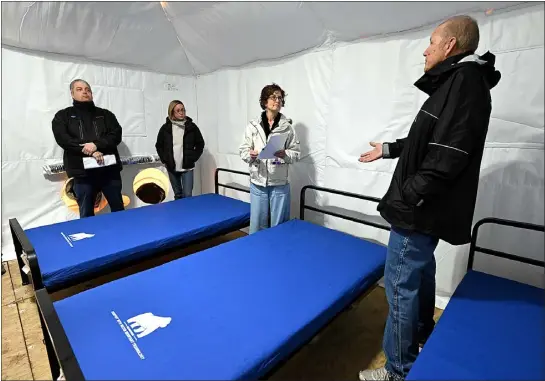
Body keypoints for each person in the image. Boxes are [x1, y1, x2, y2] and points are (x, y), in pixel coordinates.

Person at [358, 15, 501, 381]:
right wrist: (390, 149)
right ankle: (420, 336)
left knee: (400, 283)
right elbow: (429, 143)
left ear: (451, 46)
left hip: (418, 211)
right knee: (419, 276)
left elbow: (448, 155)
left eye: (432, 42)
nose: (426, 49)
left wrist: (410, 196)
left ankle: (397, 369)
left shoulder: (464, 82)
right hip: (423, 209)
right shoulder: (460, 81)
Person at [52, 79, 125, 218]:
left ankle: (124, 237)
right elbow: (64, 139)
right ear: (72, 94)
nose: (84, 91)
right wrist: (91, 150)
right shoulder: (62, 116)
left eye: (87, 89)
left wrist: (97, 145)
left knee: (118, 209)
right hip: (82, 174)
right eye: (79, 89)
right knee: (86, 214)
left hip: (109, 172)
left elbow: (116, 135)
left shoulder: (106, 114)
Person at [239, 83, 301, 234]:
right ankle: (258, 254)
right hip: (258, 182)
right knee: (257, 227)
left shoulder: (288, 127)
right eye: (274, 97)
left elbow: (297, 153)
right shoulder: (253, 126)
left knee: (279, 227)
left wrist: (285, 154)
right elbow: (243, 150)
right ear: (265, 101)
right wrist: (250, 154)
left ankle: (277, 255)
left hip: (279, 183)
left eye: (280, 97)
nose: (278, 100)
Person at [155, 100, 205, 199]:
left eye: (183, 110)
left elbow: (200, 144)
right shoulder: (165, 128)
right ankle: (179, 214)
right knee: (178, 195)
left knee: (187, 195)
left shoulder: (192, 127)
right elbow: (159, 145)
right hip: (172, 167)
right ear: (172, 112)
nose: (181, 112)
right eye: (178, 110)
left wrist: (193, 157)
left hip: (187, 167)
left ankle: (188, 214)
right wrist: (165, 160)